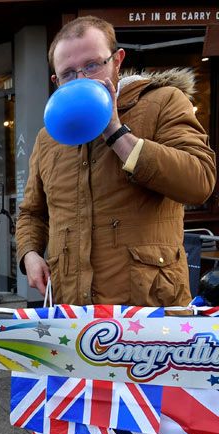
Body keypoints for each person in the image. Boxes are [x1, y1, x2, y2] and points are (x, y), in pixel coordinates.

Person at [16, 15, 216, 307]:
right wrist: (29, 254)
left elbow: (199, 181)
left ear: (117, 61)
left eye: (92, 65)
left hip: (147, 310)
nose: (81, 79)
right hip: (71, 309)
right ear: (56, 82)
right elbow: (32, 213)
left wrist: (116, 131)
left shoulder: (164, 102)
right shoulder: (49, 138)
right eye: (69, 73)